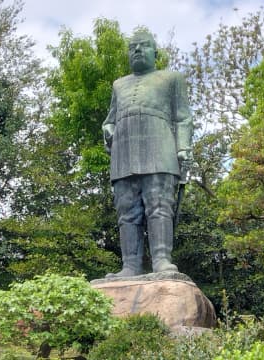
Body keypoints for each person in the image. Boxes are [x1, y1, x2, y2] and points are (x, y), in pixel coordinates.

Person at [102, 29, 193, 278]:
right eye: (133, 47)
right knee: (126, 211)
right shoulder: (118, 85)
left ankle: (162, 260)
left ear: (155, 51)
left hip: (160, 149)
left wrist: (183, 147)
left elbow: (183, 117)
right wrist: (108, 129)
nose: (137, 51)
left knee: (160, 205)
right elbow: (109, 120)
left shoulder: (171, 78)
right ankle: (130, 266)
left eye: (143, 46)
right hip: (124, 153)